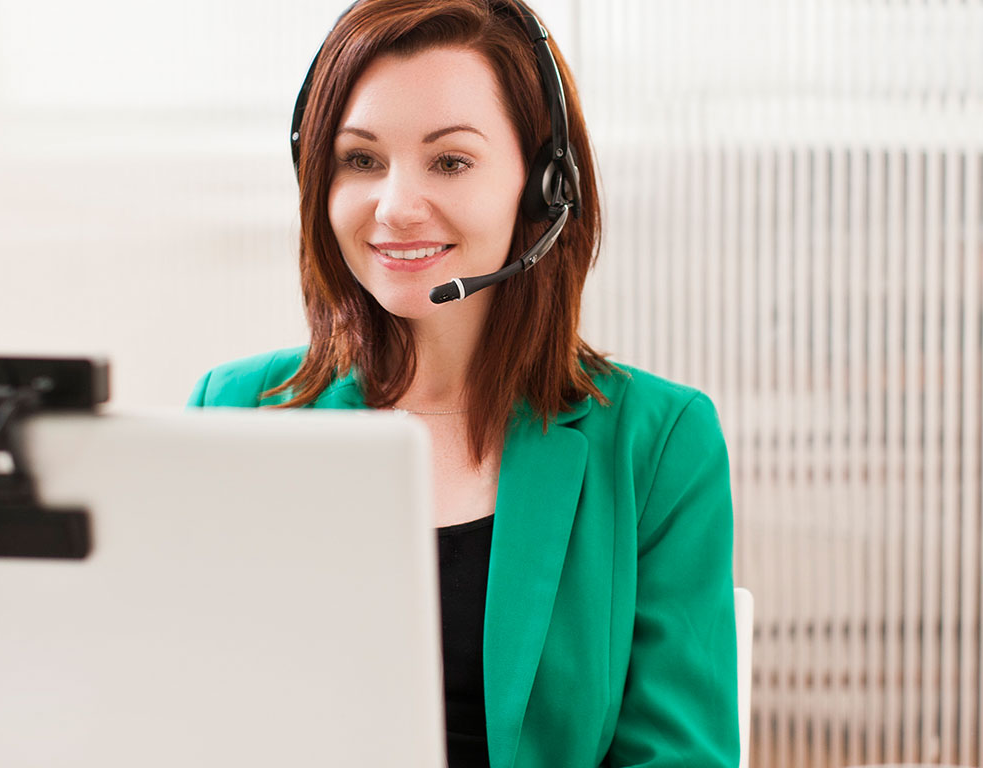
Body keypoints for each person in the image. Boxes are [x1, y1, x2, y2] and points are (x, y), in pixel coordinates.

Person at [189, 1, 738, 766]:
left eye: (449, 161)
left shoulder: (657, 442)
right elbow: (181, 714)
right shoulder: (236, 412)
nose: (396, 206)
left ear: (546, 186)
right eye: (360, 160)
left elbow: (676, 754)